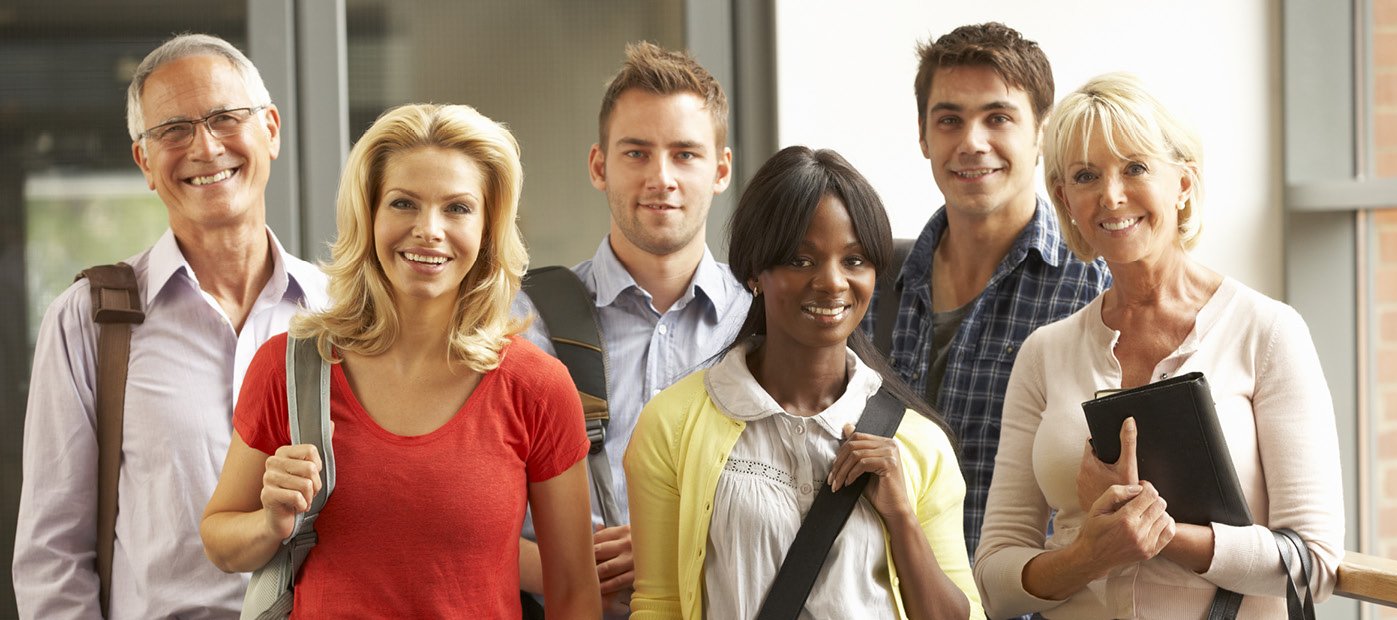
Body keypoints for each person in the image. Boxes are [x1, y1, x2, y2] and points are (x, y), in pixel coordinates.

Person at [199, 103, 602, 618]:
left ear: (487, 228)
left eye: (457, 208)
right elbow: (219, 540)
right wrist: (270, 522)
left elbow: (573, 592)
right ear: (368, 217)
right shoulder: (290, 368)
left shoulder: (538, 387)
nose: (428, 229)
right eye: (403, 203)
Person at [973, 73, 1345, 618]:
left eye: (1136, 167)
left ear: (1184, 184)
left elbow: (1312, 566)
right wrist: (1087, 554)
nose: (1111, 194)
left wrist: (1152, 530)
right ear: (1064, 199)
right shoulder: (1044, 353)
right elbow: (994, 580)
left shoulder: (1267, 332)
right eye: (1085, 176)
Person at [13, 33, 327, 619]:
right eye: (173, 130)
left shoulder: (341, 311)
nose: (205, 148)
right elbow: (51, 557)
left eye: (226, 118)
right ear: (145, 163)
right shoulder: (89, 321)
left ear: (272, 130)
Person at [625, 145, 984, 619]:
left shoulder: (918, 444)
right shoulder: (671, 426)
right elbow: (659, 607)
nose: (833, 282)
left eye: (855, 260)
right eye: (800, 260)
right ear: (755, 271)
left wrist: (901, 518)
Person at [514, 41, 750, 616]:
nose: (661, 177)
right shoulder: (520, 320)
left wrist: (674, 555)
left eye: (685, 155)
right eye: (637, 153)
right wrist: (566, 573)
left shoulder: (761, 326)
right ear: (600, 165)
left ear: (721, 170)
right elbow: (465, 513)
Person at [872, 22, 1111, 558]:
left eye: (998, 118)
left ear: (1042, 134)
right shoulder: (872, 282)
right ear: (923, 135)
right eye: (950, 119)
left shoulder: (1096, 290)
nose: (971, 143)